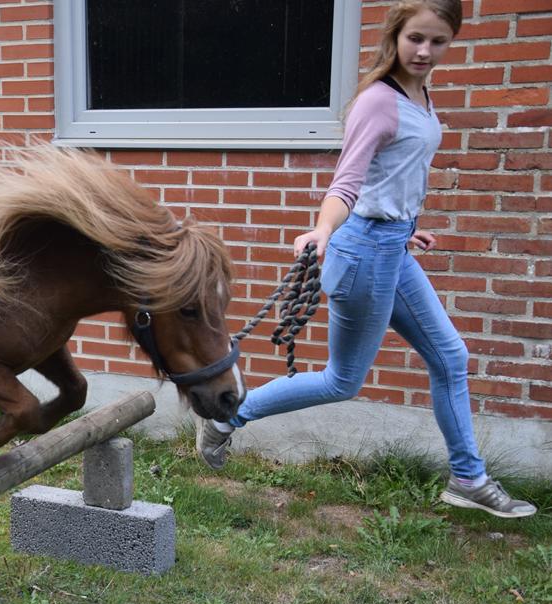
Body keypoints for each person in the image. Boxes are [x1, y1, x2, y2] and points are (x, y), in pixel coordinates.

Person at [196, 0, 536, 519]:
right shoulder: (380, 101)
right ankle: (227, 418)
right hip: (360, 252)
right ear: (396, 35)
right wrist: (323, 229)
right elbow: (347, 182)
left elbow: (393, 172)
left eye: (438, 41)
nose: (425, 51)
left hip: (390, 248)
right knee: (343, 380)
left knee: (452, 358)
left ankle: (467, 477)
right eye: (415, 38)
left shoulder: (419, 93)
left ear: (451, 41)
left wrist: (404, 226)